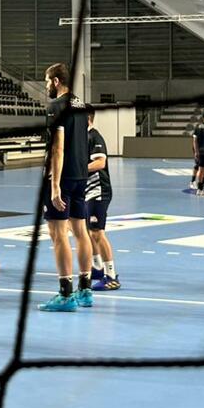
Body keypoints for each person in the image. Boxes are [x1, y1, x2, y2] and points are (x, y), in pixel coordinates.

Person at [38, 62, 95, 312]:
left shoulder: (56, 107)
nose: (46, 86)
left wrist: (55, 185)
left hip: (63, 177)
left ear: (56, 81)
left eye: (47, 81)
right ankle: (85, 290)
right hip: (81, 175)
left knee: (58, 234)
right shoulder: (81, 105)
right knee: (81, 231)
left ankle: (65, 295)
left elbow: (58, 148)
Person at [86, 106, 119, 291]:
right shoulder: (81, 137)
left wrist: (78, 169)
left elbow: (100, 162)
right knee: (88, 232)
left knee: (98, 232)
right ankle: (97, 267)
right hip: (86, 191)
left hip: (98, 191)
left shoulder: (95, 137)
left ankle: (111, 276)